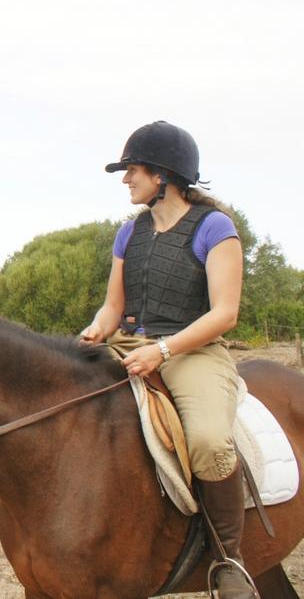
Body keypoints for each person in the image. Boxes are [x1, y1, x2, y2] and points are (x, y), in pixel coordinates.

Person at [79, 121, 255, 598]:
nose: (125, 179)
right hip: (131, 344)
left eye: (131, 169)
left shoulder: (215, 228)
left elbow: (226, 312)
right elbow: (113, 307)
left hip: (193, 350)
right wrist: (96, 330)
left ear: (162, 175)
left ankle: (229, 561)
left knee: (208, 440)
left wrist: (164, 350)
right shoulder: (128, 233)